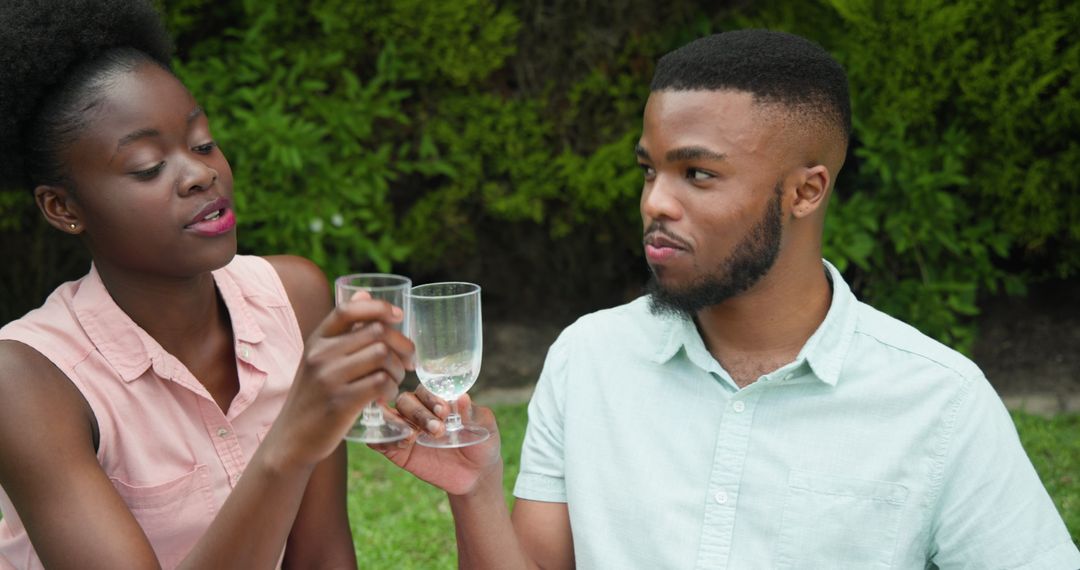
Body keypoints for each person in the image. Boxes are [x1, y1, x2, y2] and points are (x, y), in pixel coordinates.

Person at [381, 30, 1080, 568]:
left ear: (806, 191)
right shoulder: (589, 359)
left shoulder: (939, 402)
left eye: (697, 174)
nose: (656, 201)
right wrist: (474, 493)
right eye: (649, 170)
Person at [0, 1, 413, 568]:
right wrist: (292, 439)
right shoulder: (26, 380)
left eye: (201, 144)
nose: (201, 174)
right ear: (63, 207)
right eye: (147, 167)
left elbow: (321, 557)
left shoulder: (294, 296)